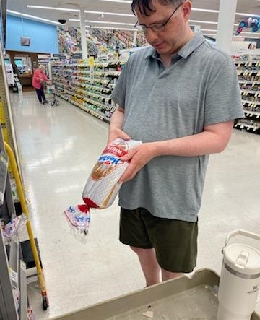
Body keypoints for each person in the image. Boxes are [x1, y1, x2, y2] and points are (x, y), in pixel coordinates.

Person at [109, 0, 244, 287]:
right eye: (144, 27)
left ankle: (166, 301)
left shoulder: (215, 65)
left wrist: (155, 149)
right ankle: (150, 289)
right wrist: (114, 131)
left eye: (159, 25)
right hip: (132, 183)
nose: (152, 37)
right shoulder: (136, 61)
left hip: (174, 194)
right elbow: (120, 109)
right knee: (139, 246)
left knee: (173, 264)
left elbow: (218, 138)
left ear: (184, 9)